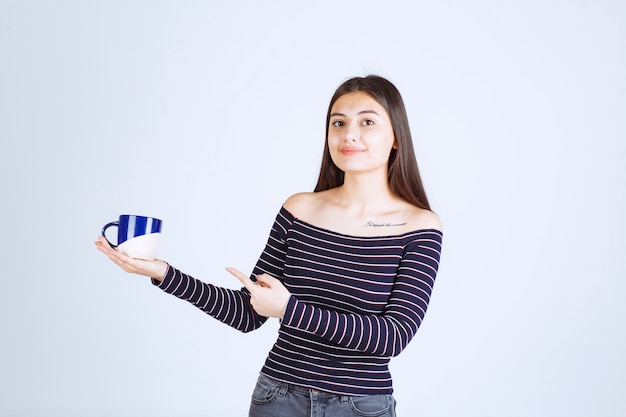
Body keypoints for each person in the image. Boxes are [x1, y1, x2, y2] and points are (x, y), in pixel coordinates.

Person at [95, 75, 443, 417]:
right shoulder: (299, 209)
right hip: (278, 397)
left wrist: (289, 309)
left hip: (360, 405)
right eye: (338, 123)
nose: (349, 134)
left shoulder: (419, 227)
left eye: (367, 122)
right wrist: (162, 273)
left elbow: (392, 337)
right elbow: (249, 312)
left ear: (396, 136)